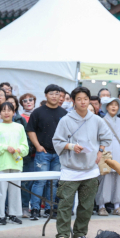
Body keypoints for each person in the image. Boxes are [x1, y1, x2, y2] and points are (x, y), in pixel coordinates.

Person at [52, 87, 112, 238]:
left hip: (91, 169)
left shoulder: (97, 120)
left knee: (86, 206)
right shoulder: (65, 120)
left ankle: (80, 233)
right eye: (79, 99)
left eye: (85, 98)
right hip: (70, 169)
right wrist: (72, 146)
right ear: (73, 101)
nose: (83, 102)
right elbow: (57, 141)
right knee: (65, 205)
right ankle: (63, 235)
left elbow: (106, 138)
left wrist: (100, 152)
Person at [26, 84, 68, 221]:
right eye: (51, 93)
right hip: (42, 152)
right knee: (40, 181)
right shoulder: (38, 112)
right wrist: (37, 146)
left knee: (54, 183)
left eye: (57, 93)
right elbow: (30, 130)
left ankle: (51, 209)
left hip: (58, 153)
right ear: (46, 95)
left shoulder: (64, 113)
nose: (54, 96)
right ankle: (35, 209)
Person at [0, 102, 28, 225]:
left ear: (13, 112)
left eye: (9, 110)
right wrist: (6, 147)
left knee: (15, 191)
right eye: (3, 110)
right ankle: (0, 216)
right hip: (1, 164)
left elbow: (25, 146)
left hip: (16, 163)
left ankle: (13, 214)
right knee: (0, 191)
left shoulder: (19, 127)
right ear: (0, 113)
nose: (6, 113)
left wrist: (20, 149)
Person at [97, 98, 120, 216]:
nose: (113, 107)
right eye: (111, 105)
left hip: (119, 153)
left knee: (118, 179)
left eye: (116, 105)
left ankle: (117, 206)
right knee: (104, 180)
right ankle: (101, 206)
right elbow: (97, 138)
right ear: (106, 107)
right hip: (105, 153)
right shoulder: (101, 121)